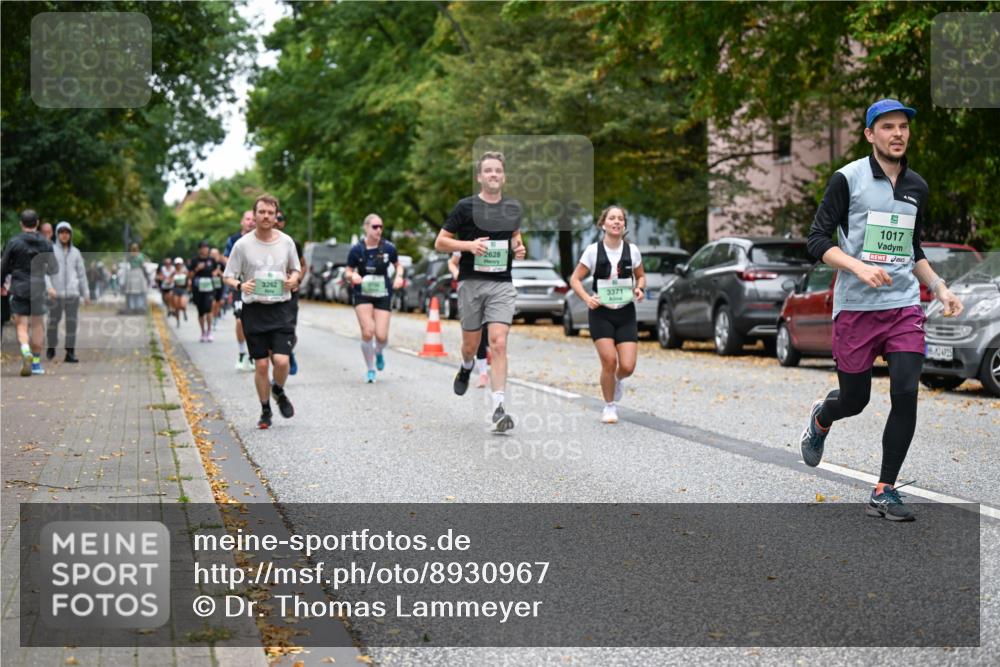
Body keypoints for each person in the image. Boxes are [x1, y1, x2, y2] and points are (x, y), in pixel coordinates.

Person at [801, 98, 964, 522]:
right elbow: (816, 240)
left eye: (903, 126)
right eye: (888, 127)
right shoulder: (847, 179)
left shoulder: (917, 187)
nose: (898, 133)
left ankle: (884, 489)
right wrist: (857, 266)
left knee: (906, 392)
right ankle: (822, 417)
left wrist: (939, 287)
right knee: (855, 399)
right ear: (870, 134)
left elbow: (912, 249)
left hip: (903, 305)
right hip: (856, 308)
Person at [434, 151, 526, 432]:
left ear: (504, 176)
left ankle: (499, 407)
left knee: (498, 343)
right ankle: (466, 365)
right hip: (471, 283)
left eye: (498, 170)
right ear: (479, 177)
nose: (493, 175)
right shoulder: (465, 207)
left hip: (502, 284)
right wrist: (469, 246)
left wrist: (519, 248)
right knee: (470, 346)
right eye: (488, 171)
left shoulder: (513, 208)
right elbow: (440, 242)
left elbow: (515, 236)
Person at [223, 194, 301, 429]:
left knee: (282, 361)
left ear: (276, 216)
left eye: (270, 213)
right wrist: (240, 285)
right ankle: (265, 409)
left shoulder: (286, 242)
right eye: (262, 212)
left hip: (281, 309)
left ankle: (278, 389)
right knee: (262, 365)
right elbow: (227, 276)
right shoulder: (242, 245)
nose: (266, 216)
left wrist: (293, 280)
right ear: (254, 215)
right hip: (254, 310)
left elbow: (296, 270)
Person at [568, 206, 646, 424]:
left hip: (626, 312)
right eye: (612, 218)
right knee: (609, 361)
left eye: (620, 218)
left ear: (624, 225)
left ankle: (617, 379)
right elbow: (575, 279)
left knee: (627, 366)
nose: (616, 222)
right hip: (601, 313)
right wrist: (587, 298)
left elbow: (641, 276)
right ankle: (609, 406)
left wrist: (639, 288)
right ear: (603, 224)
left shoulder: (633, 251)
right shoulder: (593, 251)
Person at [345, 213, 404, 383]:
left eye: (381, 227)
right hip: (362, 293)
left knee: (381, 336)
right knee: (367, 331)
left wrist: (399, 277)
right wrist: (352, 276)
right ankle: (370, 369)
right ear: (366, 228)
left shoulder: (388, 248)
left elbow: (398, 265)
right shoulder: (357, 249)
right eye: (375, 227)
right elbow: (348, 270)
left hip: (382, 293)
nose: (379, 230)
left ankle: (378, 351)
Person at [1, 209, 58, 376]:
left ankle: (26, 351)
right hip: (39, 288)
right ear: (37, 223)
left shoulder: (14, 242)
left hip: (19, 287)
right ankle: (36, 363)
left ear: (21, 224)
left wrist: (1, 284)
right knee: (38, 325)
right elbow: (53, 268)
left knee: (21, 325)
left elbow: (4, 265)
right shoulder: (46, 243)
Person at [46, 221, 90, 363]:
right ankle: (51, 344)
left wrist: (86, 293)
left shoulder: (76, 252)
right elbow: (45, 273)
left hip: (72, 294)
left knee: (71, 323)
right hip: (55, 294)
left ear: (70, 235)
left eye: (67, 233)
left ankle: (70, 352)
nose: (64, 235)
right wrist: (49, 288)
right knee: (53, 322)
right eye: (61, 232)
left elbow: (82, 274)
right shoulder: (51, 251)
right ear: (57, 234)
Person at [448, 251, 490, 388]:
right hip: (470, 291)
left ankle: (484, 371)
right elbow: (452, 262)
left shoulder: (498, 240)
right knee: (476, 335)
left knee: (489, 330)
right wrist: (456, 273)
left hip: (492, 290)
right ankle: (474, 368)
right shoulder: (464, 241)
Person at [222, 210, 256, 371]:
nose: (250, 222)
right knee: (240, 320)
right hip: (239, 285)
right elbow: (226, 259)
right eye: (247, 219)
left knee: (255, 322)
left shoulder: (260, 239)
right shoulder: (234, 240)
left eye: (253, 219)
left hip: (257, 287)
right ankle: (242, 353)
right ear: (242, 222)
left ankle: (253, 354)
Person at [275, 211, 305, 376]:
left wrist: (297, 280)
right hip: (269, 294)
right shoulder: (259, 243)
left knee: (289, 330)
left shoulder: (292, 243)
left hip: (289, 294)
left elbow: (303, 265)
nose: (276, 221)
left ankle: (288, 352)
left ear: (283, 223)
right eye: (274, 217)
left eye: (280, 219)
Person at [188, 241, 220, 342]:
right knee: (200, 311)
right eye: (202, 247)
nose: (205, 249)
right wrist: (197, 269)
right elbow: (189, 275)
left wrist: (215, 273)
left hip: (209, 288)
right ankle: (203, 332)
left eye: (206, 247)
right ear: (199, 249)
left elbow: (216, 269)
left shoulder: (211, 260)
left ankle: (209, 331)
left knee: (208, 309)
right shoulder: (194, 260)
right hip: (197, 288)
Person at [124, 243, 149, 313]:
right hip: (138, 272)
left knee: (132, 291)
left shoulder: (129, 256)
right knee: (139, 291)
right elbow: (143, 265)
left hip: (132, 272)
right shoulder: (140, 255)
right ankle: (139, 306)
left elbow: (127, 262)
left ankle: (133, 306)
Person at [170, 257, 189, 326]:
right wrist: (171, 280)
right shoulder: (174, 272)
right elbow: (170, 280)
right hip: (176, 289)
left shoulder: (185, 271)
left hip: (183, 289)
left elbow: (189, 279)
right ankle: (178, 321)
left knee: (182, 305)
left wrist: (189, 285)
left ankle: (184, 312)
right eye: (177, 264)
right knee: (176, 307)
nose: (178, 265)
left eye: (179, 264)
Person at [210, 247, 225, 328]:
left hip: (219, 285)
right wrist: (214, 273)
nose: (214, 255)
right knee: (212, 303)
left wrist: (219, 272)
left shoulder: (221, 264)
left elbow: (225, 276)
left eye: (215, 254)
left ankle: (215, 318)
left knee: (217, 303)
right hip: (211, 285)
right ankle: (211, 317)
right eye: (212, 254)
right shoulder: (209, 263)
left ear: (218, 254)